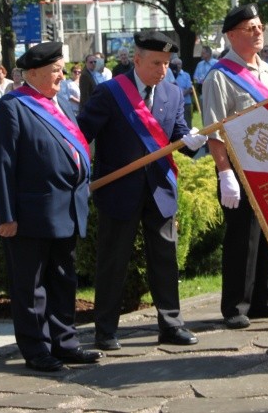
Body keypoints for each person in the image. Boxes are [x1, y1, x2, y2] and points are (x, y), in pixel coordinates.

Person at [77, 31, 207, 351]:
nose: (162, 70)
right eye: (156, 63)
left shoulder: (173, 93)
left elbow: (176, 135)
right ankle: (105, 330)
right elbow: (81, 134)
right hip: (118, 190)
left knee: (164, 259)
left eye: (166, 63)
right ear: (137, 60)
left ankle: (171, 324)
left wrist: (192, 141)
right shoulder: (110, 93)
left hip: (160, 189)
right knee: (113, 261)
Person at [0, 41, 102, 372]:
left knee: (63, 281)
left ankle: (65, 342)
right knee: (31, 286)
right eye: (55, 71)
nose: (62, 76)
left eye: (62, 70)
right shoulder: (12, 107)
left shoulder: (57, 104)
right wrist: (5, 215)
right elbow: (0, 165)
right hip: (31, 215)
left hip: (66, 211)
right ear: (33, 73)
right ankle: (36, 348)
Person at [201, 4, 268, 330]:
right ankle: (235, 305)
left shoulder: (267, 71)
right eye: (249, 28)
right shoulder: (219, 76)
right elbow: (213, 130)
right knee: (243, 237)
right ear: (231, 35)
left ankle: (263, 300)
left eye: (259, 26)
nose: (257, 32)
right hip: (238, 167)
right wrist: (224, 172)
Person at [172, 57, 193, 128]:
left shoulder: (186, 75)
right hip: (174, 104)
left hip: (186, 103)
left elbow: (189, 89)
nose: (178, 66)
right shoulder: (170, 75)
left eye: (179, 64)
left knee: (188, 123)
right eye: (176, 64)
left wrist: (179, 96)